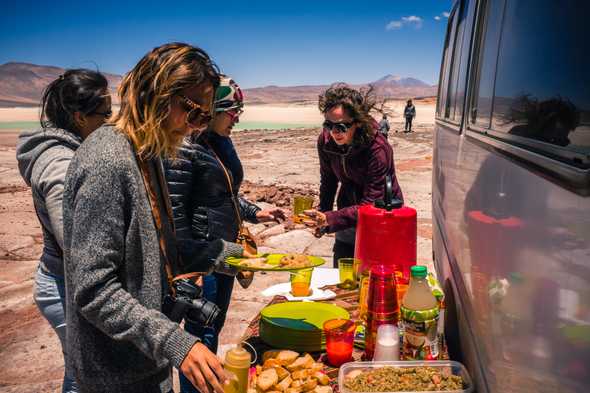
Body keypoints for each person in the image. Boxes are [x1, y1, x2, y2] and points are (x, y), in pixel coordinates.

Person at [61, 43, 230, 393]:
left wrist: (226, 255)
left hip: (143, 360)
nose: (196, 128)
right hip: (115, 373)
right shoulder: (107, 161)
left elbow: (158, 248)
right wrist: (175, 342)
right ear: (157, 95)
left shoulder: (146, 153)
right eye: (193, 113)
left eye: (204, 117)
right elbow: (93, 290)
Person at [165, 75, 285, 393]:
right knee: (199, 336)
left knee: (212, 327)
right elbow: (174, 213)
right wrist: (189, 266)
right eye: (233, 113)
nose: (237, 120)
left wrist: (253, 211)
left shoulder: (219, 142)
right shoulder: (185, 147)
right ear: (214, 110)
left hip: (223, 252)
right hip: (203, 257)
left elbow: (224, 194)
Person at [16, 69, 111, 393]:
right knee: (84, 376)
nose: (110, 121)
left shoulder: (72, 150)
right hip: (63, 286)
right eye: (105, 113)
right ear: (79, 116)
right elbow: (77, 243)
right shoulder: (61, 166)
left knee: (81, 370)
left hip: (61, 280)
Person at [303, 84, 403, 267]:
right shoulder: (326, 142)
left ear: (357, 122)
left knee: (372, 278)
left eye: (341, 126)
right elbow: (328, 181)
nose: (333, 132)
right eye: (328, 125)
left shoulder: (378, 148)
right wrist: (322, 216)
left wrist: (331, 219)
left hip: (380, 215)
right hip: (347, 210)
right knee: (343, 272)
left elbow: (373, 203)